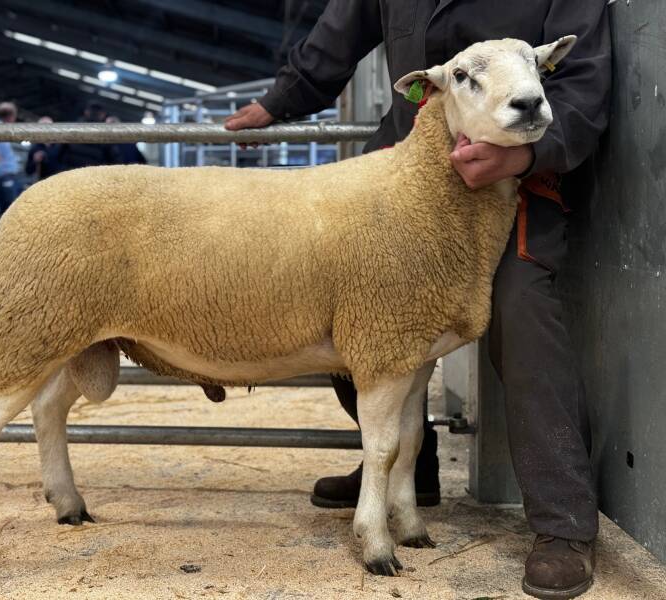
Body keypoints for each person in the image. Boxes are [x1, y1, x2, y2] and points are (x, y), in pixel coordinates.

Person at [224, 2, 611, 598]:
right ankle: (408, 467)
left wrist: (528, 152)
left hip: (521, 170)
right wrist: (282, 100)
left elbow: (583, 73)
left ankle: (563, 523)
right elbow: (339, 32)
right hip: (415, 155)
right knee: (347, 287)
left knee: (518, 304)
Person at [53, 102, 122, 171]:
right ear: (102, 115)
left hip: (69, 173)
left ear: (86, 112)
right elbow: (115, 162)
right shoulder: (106, 135)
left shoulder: (72, 128)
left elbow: (57, 153)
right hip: (91, 176)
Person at [25, 116, 61, 181]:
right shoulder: (34, 148)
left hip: (59, 181)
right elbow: (28, 171)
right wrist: (35, 161)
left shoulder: (60, 146)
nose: (46, 130)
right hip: (42, 182)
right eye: (42, 127)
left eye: (48, 127)